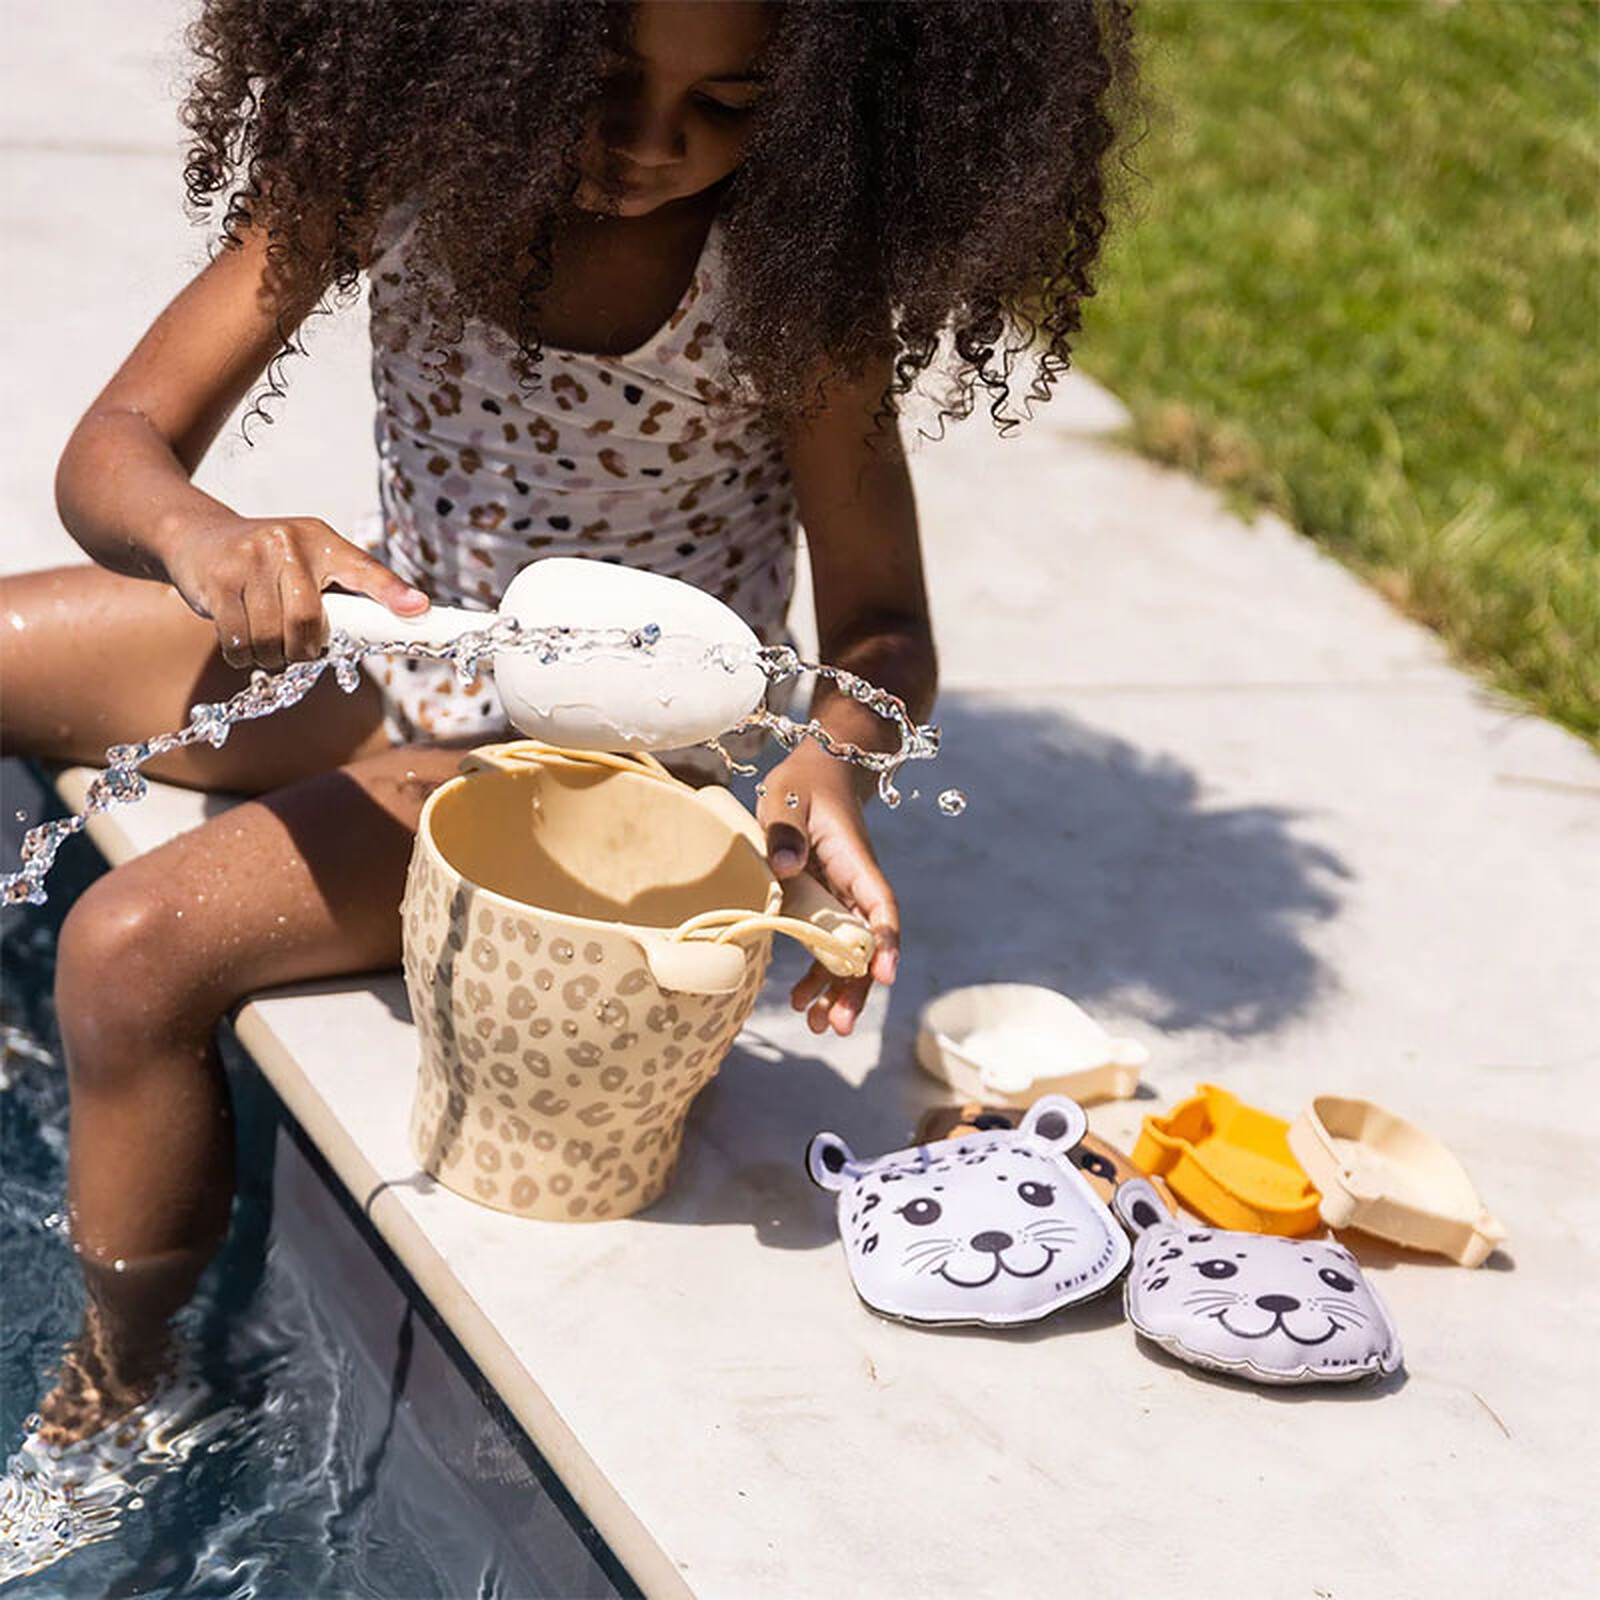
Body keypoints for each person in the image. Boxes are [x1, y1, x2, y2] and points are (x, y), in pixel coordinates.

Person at [0, 0, 1138, 1434]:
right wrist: (201, 537)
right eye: (604, 80)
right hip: (404, 634)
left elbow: (881, 632)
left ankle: (123, 1379)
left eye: (726, 105)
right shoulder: (386, 168)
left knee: (129, 953)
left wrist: (824, 768)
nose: (653, 144)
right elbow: (117, 449)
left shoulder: (782, 289)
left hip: (585, 770)